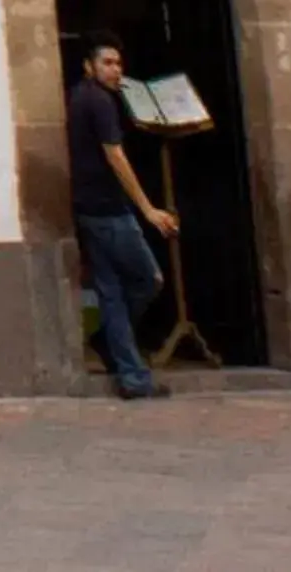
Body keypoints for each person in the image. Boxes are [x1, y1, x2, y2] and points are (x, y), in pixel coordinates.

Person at [68, 32, 177, 399]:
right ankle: (115, 349)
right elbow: (115, 156)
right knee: (149, 279)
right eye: (107, 63)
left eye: (118, 64)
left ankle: (131, 375)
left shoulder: (80, 97)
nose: (116, 71)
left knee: (111, 291)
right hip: (110, 210)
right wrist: (148, 210)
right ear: (89, 66)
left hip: (88, 207)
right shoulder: (100, 102)